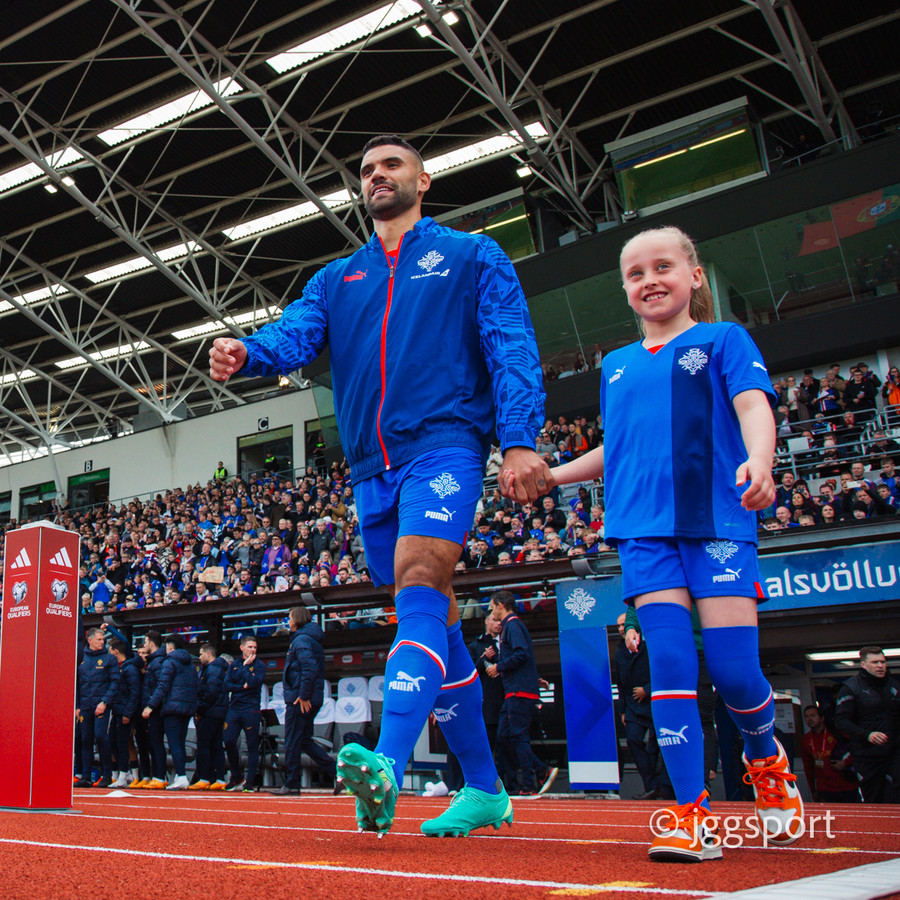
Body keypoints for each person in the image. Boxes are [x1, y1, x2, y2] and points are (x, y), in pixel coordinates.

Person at [209, 134, 547, 837]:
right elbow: (296, 335)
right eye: (366, 170)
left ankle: (387, 765)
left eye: (391, 165)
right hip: (370, 467)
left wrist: (518, 437)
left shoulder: (473, 255)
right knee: (438, 620)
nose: (376, 176)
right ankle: (486, 790)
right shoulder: (338, 278)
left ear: (424, 180)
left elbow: (511, 345)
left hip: (446, 443)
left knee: (420, 581)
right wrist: (249, 352)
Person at [544, 226, 803, 862]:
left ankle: (765, 756)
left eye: (662, 267)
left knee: (736, 672)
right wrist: (553, 474)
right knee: (671, 669)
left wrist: (761, 460)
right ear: (625, 289)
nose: (650, 281)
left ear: (694, 276)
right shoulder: (616, 365)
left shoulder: (724, 339)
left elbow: (753, 407)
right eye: (635, 273)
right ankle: (691, 814)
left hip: (717, 522)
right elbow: (617, 448)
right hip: (642, 532)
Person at [486, 592, 558, 796]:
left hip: (518, 691)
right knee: (504, 736)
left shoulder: (513, 626)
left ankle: (530, 782)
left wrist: (499, 666)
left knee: (517, 736)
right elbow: (523, 657)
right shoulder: (511, 627)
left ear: (501, 605)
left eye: (492, 606)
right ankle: (539, 771)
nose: (491, 610)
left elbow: (521, 654)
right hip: (515, 690)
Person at [273, 606, 336, 795]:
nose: (288, 621)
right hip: (310, 695)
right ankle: (338, 773)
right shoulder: (310, 638)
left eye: (290, 617)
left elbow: (309, 667)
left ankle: (292, 783)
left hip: (300, 698)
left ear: (298, 619)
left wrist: (304, 695)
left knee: (292, 739)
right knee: (304, 740)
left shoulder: (301, 640)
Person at [834, 646, 900, 803]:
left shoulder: (895, 686)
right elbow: (840, 721)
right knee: (874, 798)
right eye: (875, 662)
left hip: (894, 752)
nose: (880, 666)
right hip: (867, 755)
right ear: (864, 664)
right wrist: (867, 734)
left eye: (883, 662)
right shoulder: (851, 687)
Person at [142, 634, 198, 791]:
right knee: (180, 742)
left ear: (170, 647)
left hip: (172, 707)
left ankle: (181, 776)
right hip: (187, 707)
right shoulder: (191, 664)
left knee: (174, 744)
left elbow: (163, 685)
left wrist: (150, 705)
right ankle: (181, 776)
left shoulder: (169, 662)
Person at [614, 613, 660, 800]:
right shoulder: (619, 651)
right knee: (633, 740)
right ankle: (651, 785)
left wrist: (646, 690)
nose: (621, 628)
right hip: (633, 706)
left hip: (654, 703)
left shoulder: (650, 645)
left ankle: (661, 786)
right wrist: (623, 710)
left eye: (624, 624)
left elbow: (662, 671)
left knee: (656, 745)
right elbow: (620, 683)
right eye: (618, 626)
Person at [75, 626, 121, 788]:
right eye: (99, 639)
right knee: (85, 739)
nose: (103, 642)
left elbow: (115, 682)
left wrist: (104, 702)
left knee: (101, 736)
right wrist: (77, 705)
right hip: (85, 705)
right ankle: (85, 776)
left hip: (101, 705)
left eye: (103, 639)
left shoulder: (109, 659)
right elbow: (76, 683)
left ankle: (106, 775)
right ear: (90, 640)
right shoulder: (81, 657)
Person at [223, 635, 267, 792]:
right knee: (228, 741)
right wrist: (242, 686)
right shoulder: (234, 664)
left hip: (251, 709)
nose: (253, 650)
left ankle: (250, 782)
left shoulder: (259, 665)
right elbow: (227, 685)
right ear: (242, 648)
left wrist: (246, 668)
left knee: (252, 745)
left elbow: (254, 683)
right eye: (250, 647)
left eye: (255, 647)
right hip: (234, 708)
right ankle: (236, 776)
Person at [800, 705, 859, 803]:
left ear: (822, 718)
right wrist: (813, 790)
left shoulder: (837, 733)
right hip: (824, 788)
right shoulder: (806, 740)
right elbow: (808, 767)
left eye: (813, 716)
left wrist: (845, 763)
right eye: (806, 716)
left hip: (847, 786)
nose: (809, 719)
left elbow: (857, 750)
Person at [190, 642, 229, 791]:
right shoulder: (218, 668)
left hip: (210, 712)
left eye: (201, 654)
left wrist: (200, 710)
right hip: (218, 712)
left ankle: (204, 777)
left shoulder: (212, 669)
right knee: (216, 746)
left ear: (208, 654)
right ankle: (219, 778)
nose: (199, 657)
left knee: (204, 745)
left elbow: (210, 692)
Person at [108, 639, 143, 788]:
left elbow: (134, 693)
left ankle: (123, 774)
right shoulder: (119, 668)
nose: (109, 653)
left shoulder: (130, 669)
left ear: (116, 651)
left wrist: (128, 713)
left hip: (124, 711)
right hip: (116, 710)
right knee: (113, 741)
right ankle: (122, 773)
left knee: (122, 743)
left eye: (110, 651)